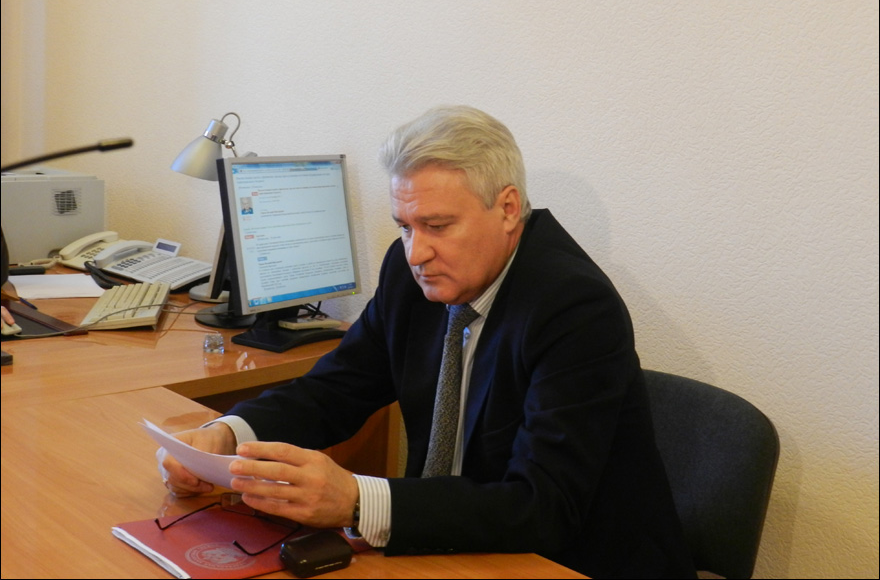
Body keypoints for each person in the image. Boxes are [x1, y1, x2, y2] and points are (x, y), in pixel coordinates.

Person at [159, 105, 695, 579]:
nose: (416, 252)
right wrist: (227, 438)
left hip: (566, 562)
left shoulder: (574, 308)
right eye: (405, 226)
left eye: (437, 225)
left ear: (509, 209)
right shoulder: (410, 272)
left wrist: (355, 500)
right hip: (448, 547)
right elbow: (336, 389)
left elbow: (543, 507)